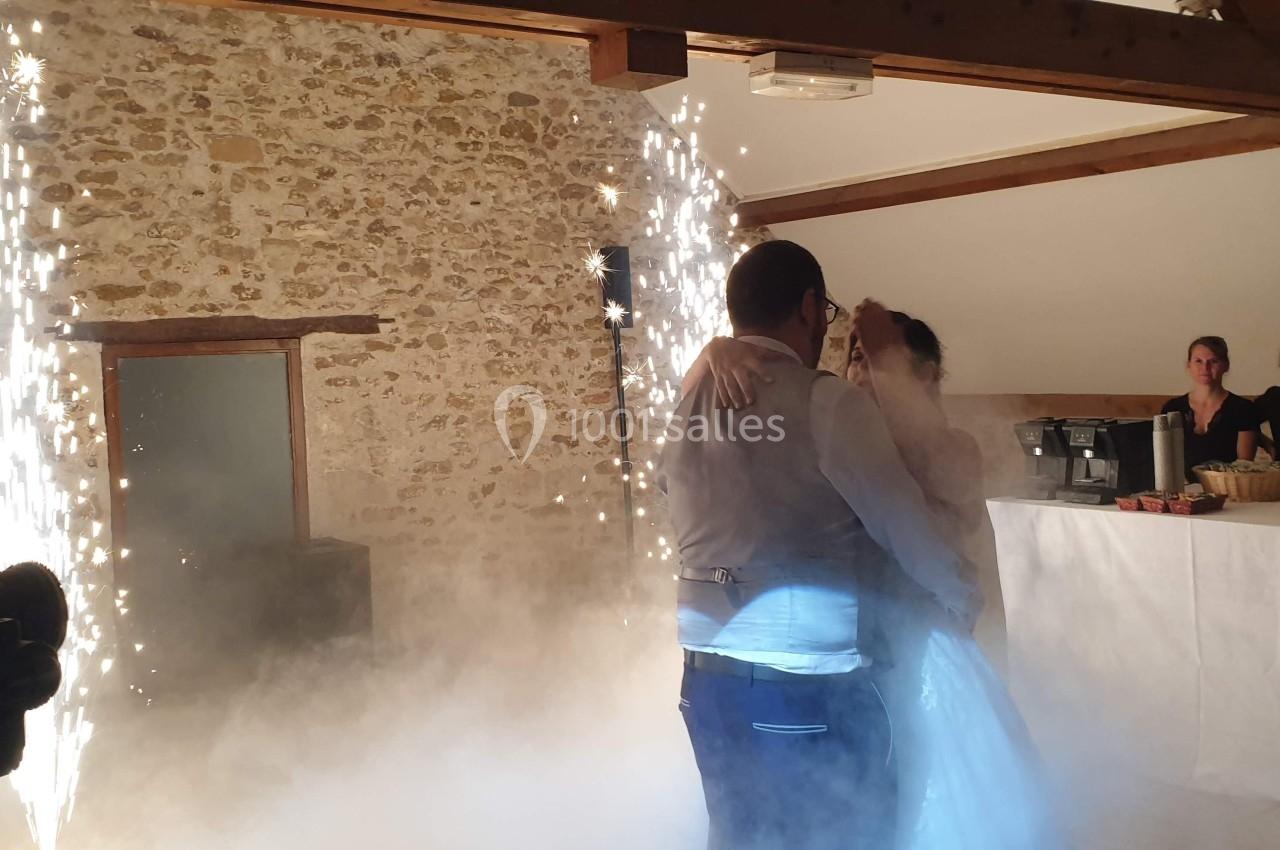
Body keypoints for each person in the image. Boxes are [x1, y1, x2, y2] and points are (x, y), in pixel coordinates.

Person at [690, 301, 1069, 850]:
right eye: (855, 359)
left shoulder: (952, 448)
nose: (860, 372)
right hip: (855, 654)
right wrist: (718, 351)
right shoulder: (840, 437)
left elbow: (933, 529)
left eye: (875, 361)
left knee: (929, 789)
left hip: (929, 642)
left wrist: (886, 363)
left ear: (926, 376)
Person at [657, 240, 981, 850]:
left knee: (739, 833)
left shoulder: (687, 401)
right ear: (808, 308)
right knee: (847, 831)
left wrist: (714, 353)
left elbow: (665, 489)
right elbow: (905, 527)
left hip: (705, 679)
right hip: (809, 680)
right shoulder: (827, 402)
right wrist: (964, 599)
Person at [1161, 336, 1262, 478]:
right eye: (1198, 361)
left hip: (1227, 485)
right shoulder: (1172, 408)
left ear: (1226, 366)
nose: (1205, 368)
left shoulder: (1243, 409)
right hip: (1180, 487)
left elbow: (1244, 465)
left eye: (1213, 361)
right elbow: (1164, 459)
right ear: (1188, 366)